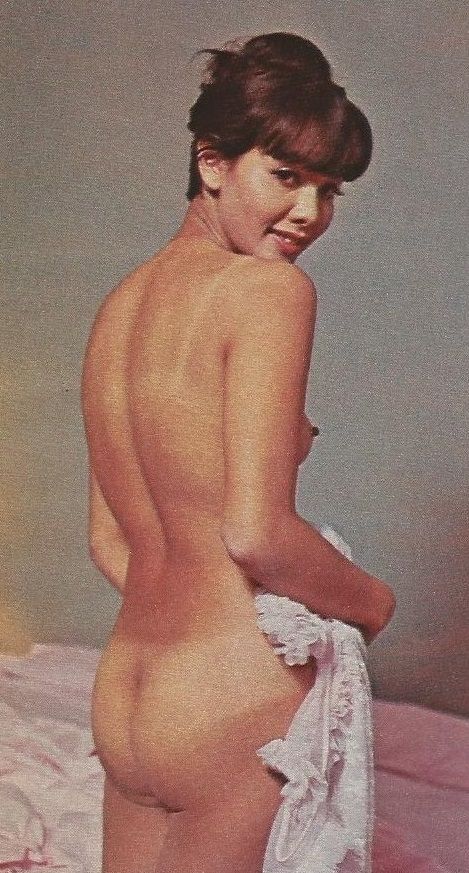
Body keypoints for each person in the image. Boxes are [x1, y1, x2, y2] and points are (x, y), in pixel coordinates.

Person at [81, 31, 396, 873]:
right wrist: (371, 603)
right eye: (286, 176)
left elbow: (109, 541)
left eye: (328, 189)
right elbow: (255, 533)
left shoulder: (118, 307)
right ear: (212, 162)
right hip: (227, 698)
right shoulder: (267, 291)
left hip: (126, 694)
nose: (309, 213)